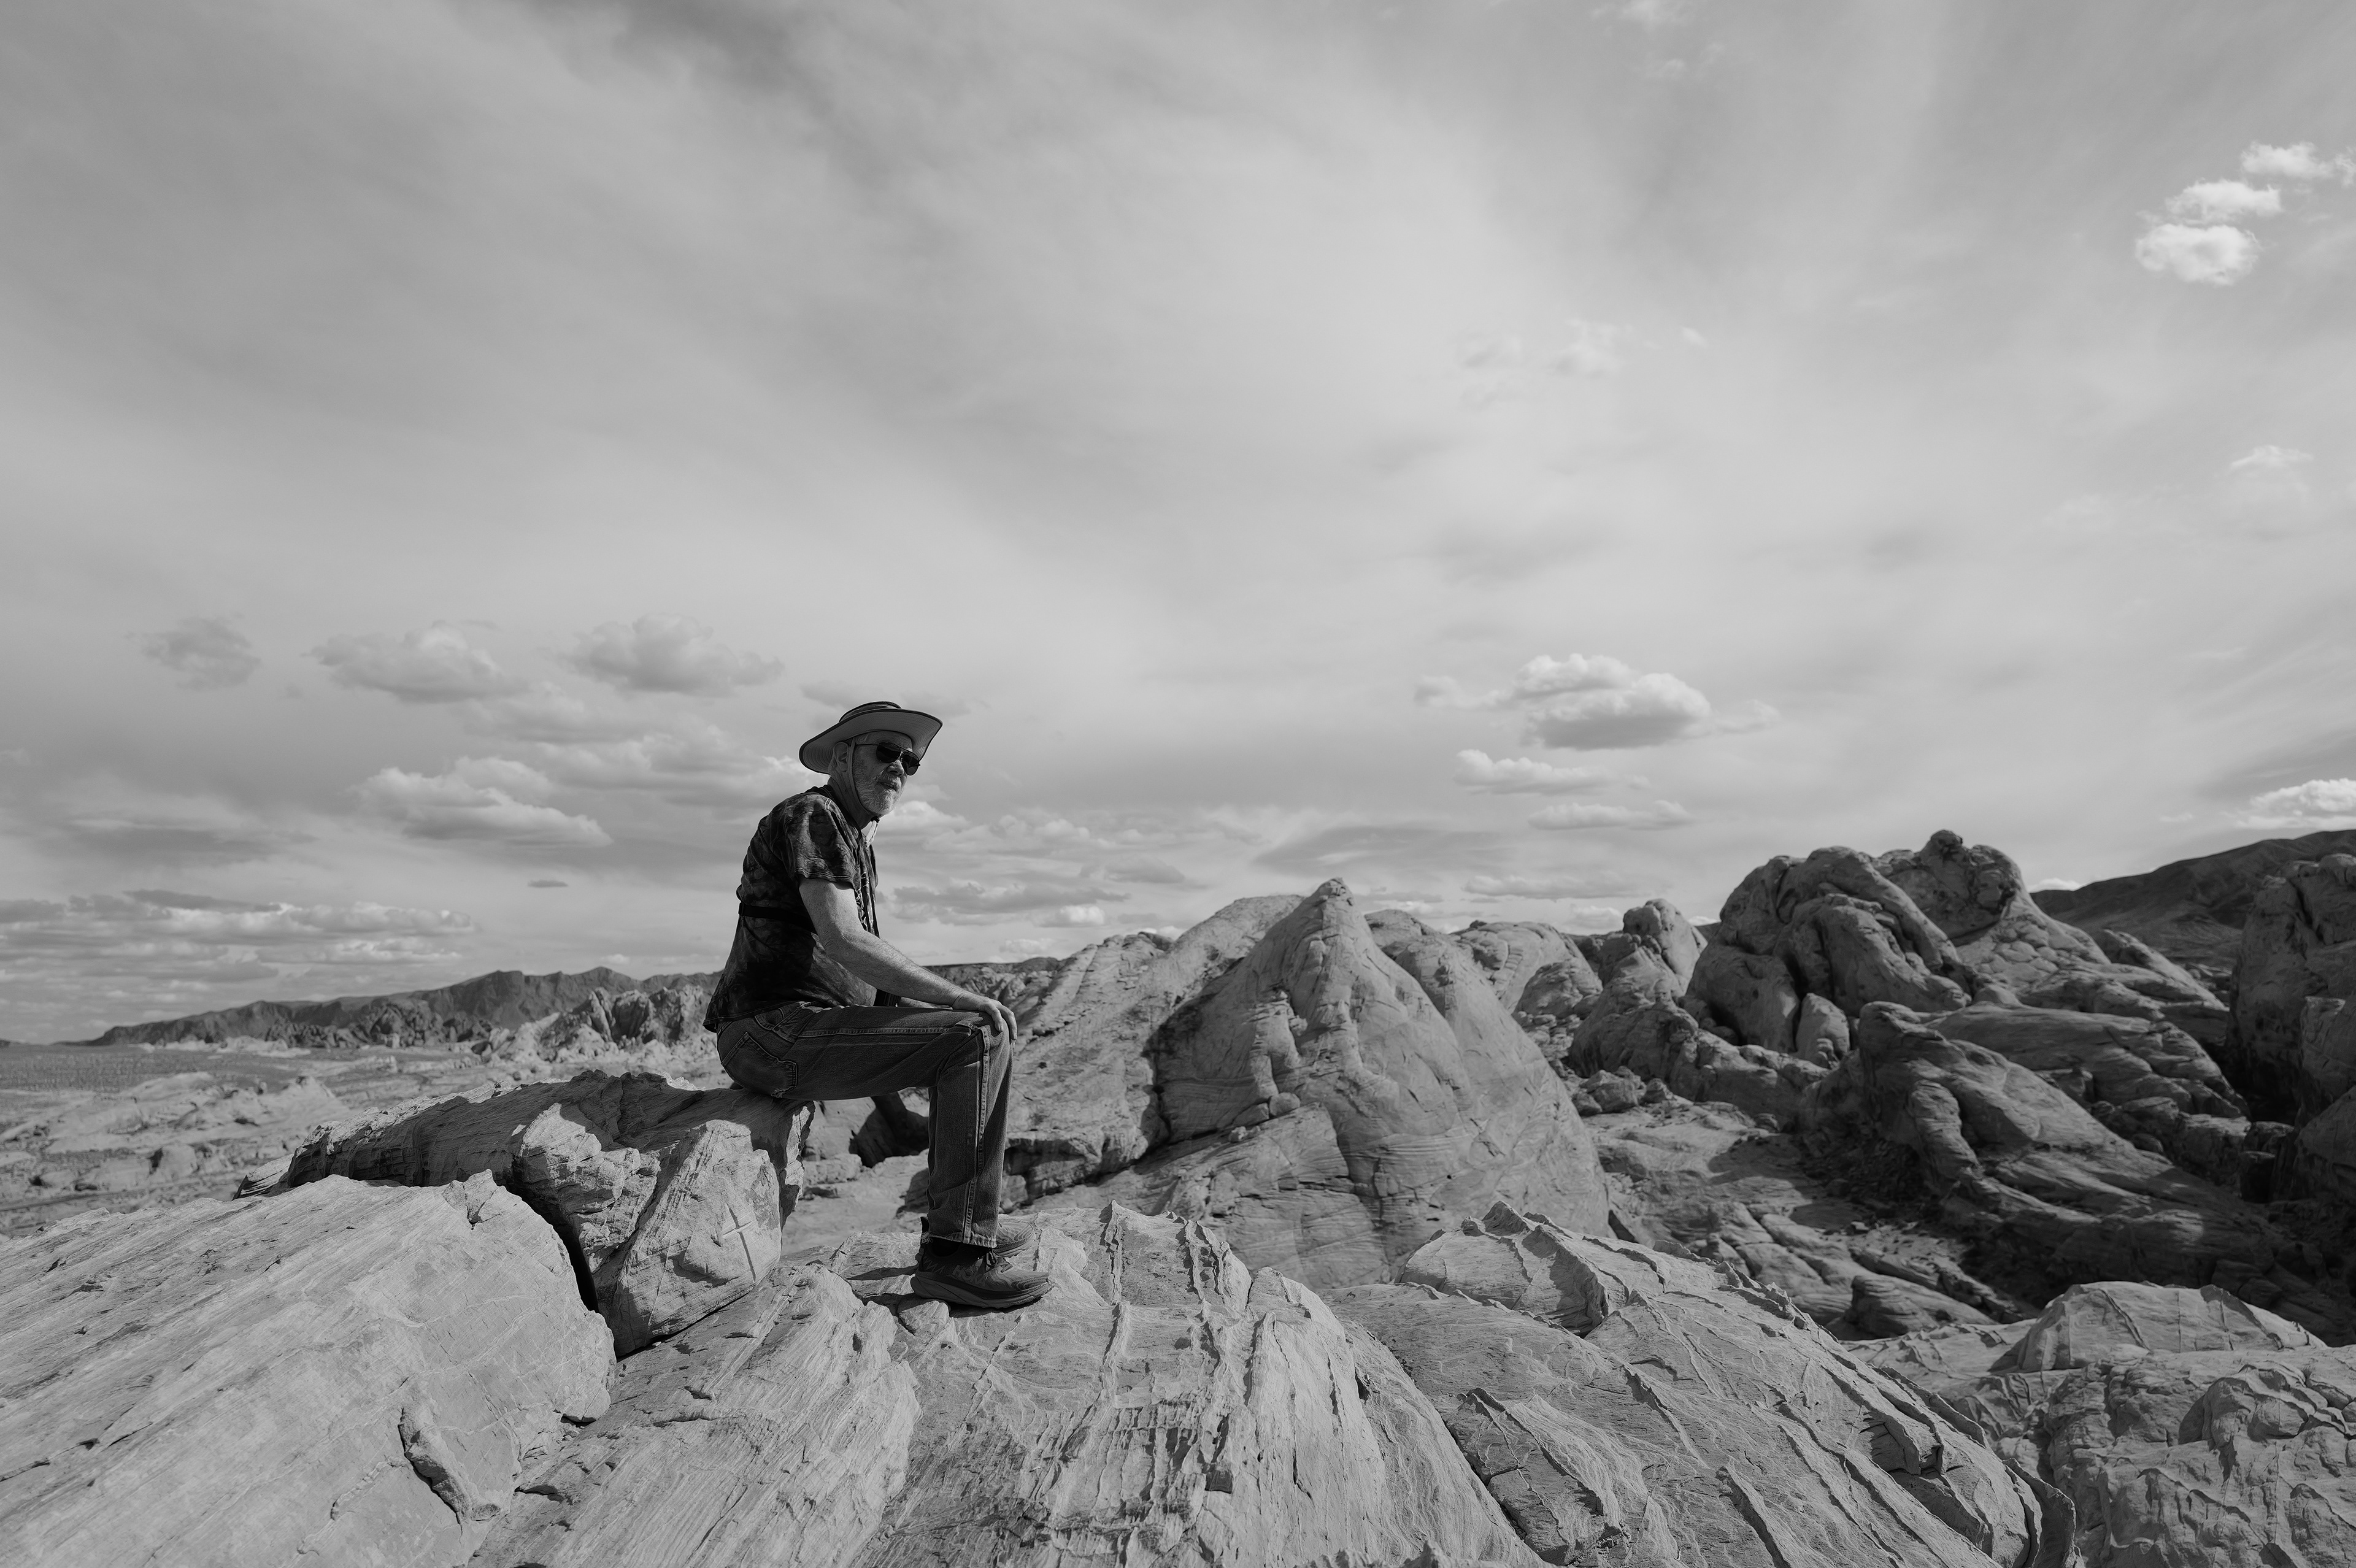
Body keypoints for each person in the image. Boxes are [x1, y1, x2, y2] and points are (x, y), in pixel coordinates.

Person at [702, 700, 1051, 1310]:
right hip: (771, 1032)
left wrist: (901, 1114)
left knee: (981, 1030)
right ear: (843, 756)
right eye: (885, 752)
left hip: (801, 1030)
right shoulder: (814, 814)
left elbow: (869, 989)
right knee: (976, 1032)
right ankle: (958, 1255)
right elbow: (843, 938)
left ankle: (971, 1221)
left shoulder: (852, 839)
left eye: (909, 761)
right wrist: (959, 996)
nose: (899, 768)